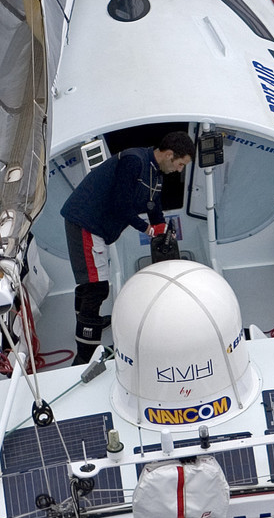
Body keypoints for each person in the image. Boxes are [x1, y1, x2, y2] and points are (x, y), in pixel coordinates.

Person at [61, 129, 193, 363]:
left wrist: (162, 229)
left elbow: (154, 206)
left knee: (91, 284)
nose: (180, 170)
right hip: (86, 222)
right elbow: (120, 204)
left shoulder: (156, 173)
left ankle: (89, 322)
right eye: (180, 164)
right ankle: (84, 355)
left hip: (96, 226)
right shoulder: (134, 161)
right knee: (95, 288)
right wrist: (147, 230)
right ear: (169, 154)